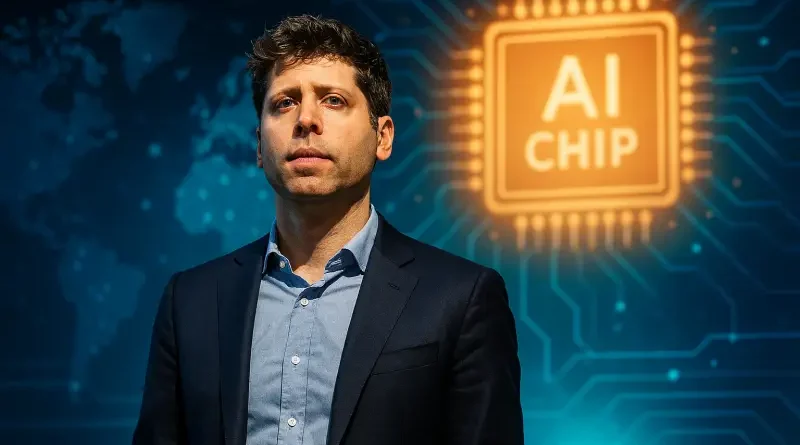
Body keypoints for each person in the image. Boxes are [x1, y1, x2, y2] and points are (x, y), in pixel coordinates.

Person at [132, 14, 523, 445]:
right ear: (259, 145)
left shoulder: (461, 298)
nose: (306, 119)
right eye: (285, 103)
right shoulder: (190, 301)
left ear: (383, 137)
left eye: (333, 100)